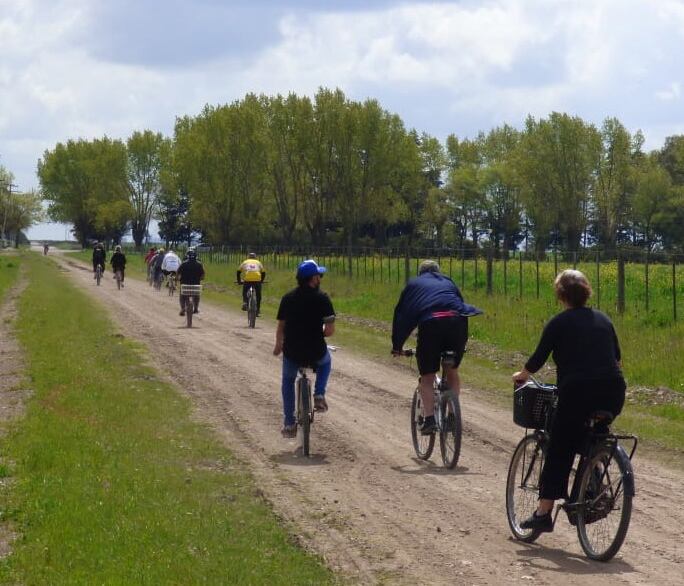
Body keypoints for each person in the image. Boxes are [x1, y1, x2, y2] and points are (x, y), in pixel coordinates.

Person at [512, 269, 625, 533]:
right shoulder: (604, 319)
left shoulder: (558, 322)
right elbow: (617, 359)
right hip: (613, 390)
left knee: (559, 449)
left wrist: (522, 375)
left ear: (561, 295)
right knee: (596, 433)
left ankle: (543, 513)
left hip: (577, 392)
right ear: (587, 292)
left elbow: (538, 358)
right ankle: (595, 474)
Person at [391, 260, 482, 435]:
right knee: (452, 370)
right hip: (457, 323)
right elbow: (460, 303)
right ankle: (452, 416)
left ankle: (430, 420)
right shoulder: (448, 281)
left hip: (431, 324)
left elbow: (402, 315)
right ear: (438, 272)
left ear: (420, 273)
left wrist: (397, 345)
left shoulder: (414, 284)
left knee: (427, 377)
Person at [273, 259, 335, 438]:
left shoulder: (288, 298)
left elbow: (281, 327)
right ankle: (319, 395)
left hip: (292, 351)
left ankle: (289, 424)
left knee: (287, 381)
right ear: (313, 279)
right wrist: (318, 333)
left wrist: (278, 345)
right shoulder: (323, 298)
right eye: (319, 276)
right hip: (316, 350)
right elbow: (330, 330)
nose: (320, 279)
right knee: (326, 362)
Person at [177, 248, 205, 316]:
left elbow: (178, 272)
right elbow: (203, 275)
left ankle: (182, 309)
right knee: (197, 296)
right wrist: (200, 279)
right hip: (196, 286)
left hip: (184, 285)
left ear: (187, 256)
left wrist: (177, 278)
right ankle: (196, 308)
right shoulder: (199, 264)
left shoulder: (183, 264)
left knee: (182, 296)